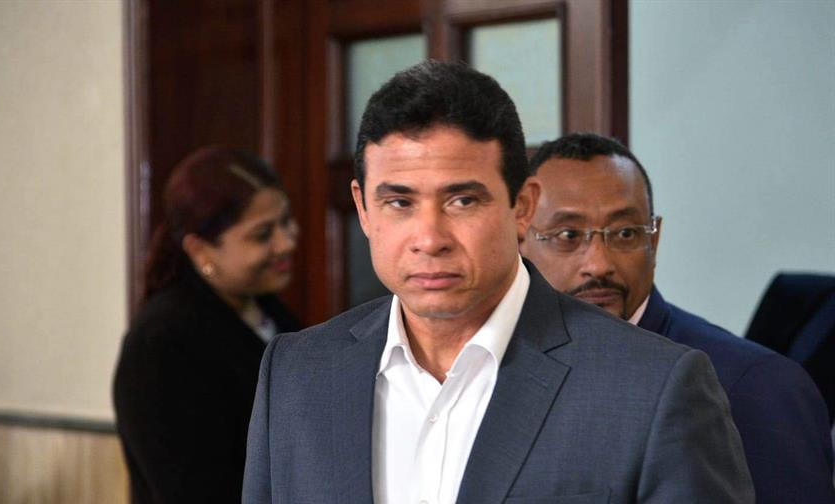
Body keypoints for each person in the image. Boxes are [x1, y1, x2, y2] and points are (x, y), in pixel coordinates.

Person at [243, 60, 753, 503]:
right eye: (399, 202)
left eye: (462, 201)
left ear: (523, 207)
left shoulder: (652, 387)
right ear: (363, 208)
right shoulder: (298, 373)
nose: (429, 238)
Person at [520, 132, 835, 503]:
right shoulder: (499, 365)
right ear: (519, 242)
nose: (599, 264)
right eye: (568, 235)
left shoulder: (757, 386)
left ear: (653, 243)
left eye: (625, 233)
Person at [113, 146, 300, 503]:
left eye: (286, 221)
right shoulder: (163, 342)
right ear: (200, 250)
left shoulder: (267, 309)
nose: (286, 242)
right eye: (263, 234)